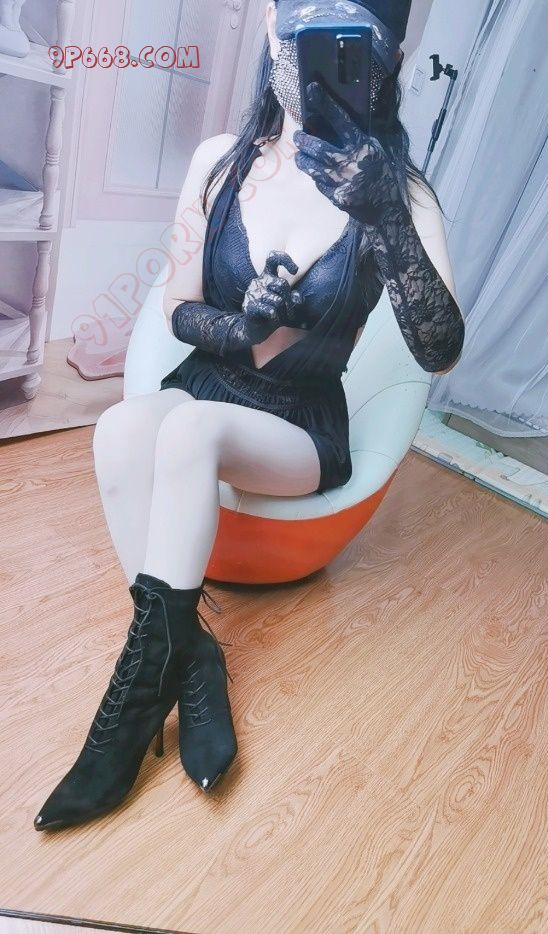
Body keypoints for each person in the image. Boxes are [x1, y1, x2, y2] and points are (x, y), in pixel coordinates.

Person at [33, 0, 465, 832]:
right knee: (120, 428)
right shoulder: (221, 162)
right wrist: (245, 326)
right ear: (273, 34)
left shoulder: (399, 193)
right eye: (305, 33)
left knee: (188, 428)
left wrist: (384, 216)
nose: (320, 65)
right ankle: (191, 658)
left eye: (354, 43)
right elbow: (176, 307)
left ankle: (126, 720)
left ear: (390, 60)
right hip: (209, 381)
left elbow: (439, 348)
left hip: (300, 424)